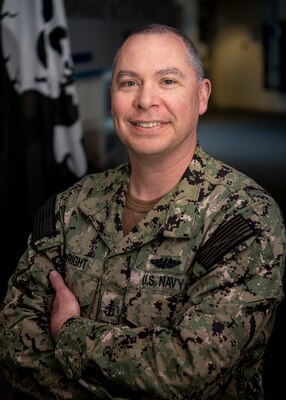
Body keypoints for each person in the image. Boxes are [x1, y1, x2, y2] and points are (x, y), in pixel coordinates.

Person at [0, 23, 285, 400]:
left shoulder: (244, 219)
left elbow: (189, 372)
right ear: (112, 96)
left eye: (167, 81)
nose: (145, 100)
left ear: (202, 96)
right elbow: (14, 343)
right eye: (129, 82)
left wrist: (68, 331)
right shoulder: (68, 207)